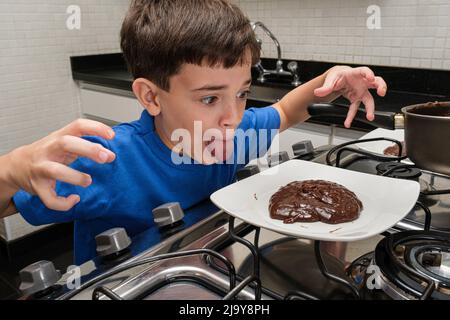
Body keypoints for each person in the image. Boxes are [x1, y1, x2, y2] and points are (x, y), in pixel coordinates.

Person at [0, 0, 386, 265]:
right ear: (151, 96)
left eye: (242, 93)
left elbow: (285, 109)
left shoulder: (234, 136)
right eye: (209, 99)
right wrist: (11, 169)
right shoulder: (106, 160)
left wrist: (331, 80)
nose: (233, 117)